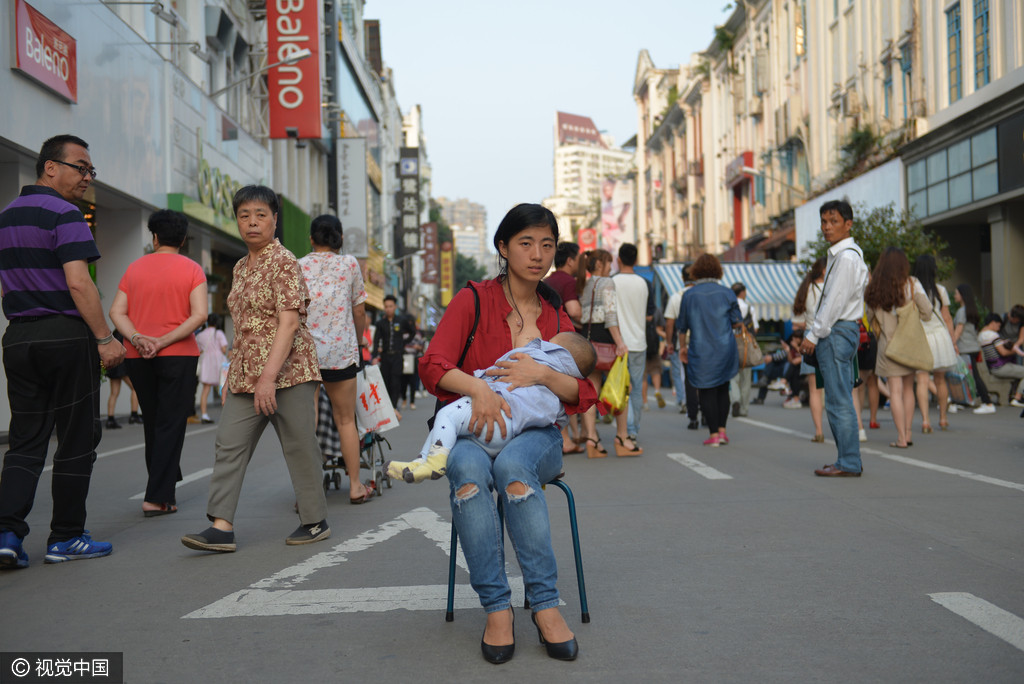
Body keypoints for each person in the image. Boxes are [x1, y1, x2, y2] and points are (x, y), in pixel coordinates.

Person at [418, 203, 597, 664]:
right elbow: (433, 364)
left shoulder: (557, 319)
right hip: (475, 432)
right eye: (525, 243)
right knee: (469, 472)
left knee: (515, 468)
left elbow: (583, 390)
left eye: (547, 244)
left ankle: (544, 603)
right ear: (503, 246)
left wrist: (540, 373)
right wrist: (478, 388)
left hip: (536, 438)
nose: (537, 254)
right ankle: (498, 609)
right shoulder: (473, 299)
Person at [181, 185, 330, 553]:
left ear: (274, 220)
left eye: (260, 215)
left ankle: (314, 520)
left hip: (290, 372)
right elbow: (245, 324)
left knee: (298, 445)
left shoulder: (284, 263)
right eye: (244, 215)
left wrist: (268, 377)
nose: (252, 222)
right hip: (246, 374)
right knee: (229, 444)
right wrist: (238, 368)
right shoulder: (239, 266)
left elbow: (289, 322)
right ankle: (221, 525)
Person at [0, 134, 125, 568]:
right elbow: (79, 282)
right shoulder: (65, 214)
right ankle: (66, 537)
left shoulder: (5, 218)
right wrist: (105, 339)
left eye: (90, 171)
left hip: (18, 337)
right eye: (81, 167)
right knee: (76, 438)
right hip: (64, 336)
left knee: (25, 440)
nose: (87, 177)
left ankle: (7, 535)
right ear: (50, 167)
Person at [387, 332, 595, 483]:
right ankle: (421, 462)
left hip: (497, 415)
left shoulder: (536, 355)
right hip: (512, 432)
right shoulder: (557, 384)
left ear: (556, 350)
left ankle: (434, 460)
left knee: (446, 416)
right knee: (453, 427)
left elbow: (497, 369)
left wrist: (478, 380)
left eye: (551, 342)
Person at [109, 209, 208, 517]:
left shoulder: (134, 269)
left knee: (153, 422)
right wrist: (164, 341)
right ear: (182, 239)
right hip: (178, 355)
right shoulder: (192, 269)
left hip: (139, 356)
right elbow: (199, 315)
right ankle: (158, 497)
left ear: (153, 238)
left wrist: (138, 338)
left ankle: (164, 479)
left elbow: (116, 312)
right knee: (170, 423)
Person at [298, 213, 374, 505]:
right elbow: (358, 310)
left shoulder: (299, 265)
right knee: (345, 421)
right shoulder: (349, 264)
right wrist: (358, 341)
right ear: (339, 238)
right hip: (341, 354)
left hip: (306, 354)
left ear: (311, 239)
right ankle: (355, 486)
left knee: (307, 423)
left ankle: (308, 492)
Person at [800, 200, 869, 476]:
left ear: (848, 224)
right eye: (824, 222)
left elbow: (834, 302)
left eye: (834, 222)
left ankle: (849, 461)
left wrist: (813, 335)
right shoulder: (843, 255)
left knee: (839, 399)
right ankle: (845, 459)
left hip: (837, 331)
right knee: (838, 397)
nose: (827, 227)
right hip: (841, 330)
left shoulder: (847, 257)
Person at [865, 247, 933, 449]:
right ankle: (909, 434)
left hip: (887, 345)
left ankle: (901, 437)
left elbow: (870, 318)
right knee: (907, 390)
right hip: (908, 344)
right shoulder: (912, 284)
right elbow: (927, 312)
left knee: (894, 392)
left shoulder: (874, 287)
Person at [676, 254, 741, 446]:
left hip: (700, 349)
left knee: (705, 390)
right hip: (725, 347)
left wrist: (682, 348)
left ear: (696, 271)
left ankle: (713, 435)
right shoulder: (727, 293)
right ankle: (722, 431)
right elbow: (737, 322)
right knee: (723, 388)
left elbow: (682, 327)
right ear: (717, 270)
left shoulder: (689, 295)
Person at [576, 249, 635, 457]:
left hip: (587, 340)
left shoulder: (585, 284)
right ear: (600, 264)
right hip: (606, 340)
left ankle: (592, 438)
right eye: (609, 263)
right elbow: (610, 316)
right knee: (621, 387)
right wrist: (620, 342)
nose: (612, 267)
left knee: (591, 392)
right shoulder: (608, 283)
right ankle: (622, 437)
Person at [544, 241, 584, 454]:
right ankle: (566, 440)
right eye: (578, 259)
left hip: (546, 341)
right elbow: (574, 310)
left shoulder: (547, 280)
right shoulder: (569, 282)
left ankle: (567, 437)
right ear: (570, 260)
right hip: (566, 343)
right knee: (567, 391)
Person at [911, 255, 958, 432]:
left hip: (920, 337)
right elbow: (947, 318)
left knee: (922, 380)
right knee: (940, 380)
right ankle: (943, 419)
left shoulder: (912, 289)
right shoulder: (940, 290)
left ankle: (925, 421)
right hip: (939, 336)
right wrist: (953, 342)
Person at [614, 243, 651, 451]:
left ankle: (624, 430)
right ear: (636, 260)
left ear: (619, 259)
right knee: (636, 388)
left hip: (619, 343)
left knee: (621, 389)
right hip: (639, 342)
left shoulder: (612, 282)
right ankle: (633, 429)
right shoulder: (644, 283)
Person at [790, 259, 826, 437]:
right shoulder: (830, 287)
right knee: (836, 386)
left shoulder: (806, 290)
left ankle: (818, 431)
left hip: (809, 339)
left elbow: (796, 323)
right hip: (828, 336)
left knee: (814, 389)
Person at [665, 265, 701, 427]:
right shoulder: (702, 295)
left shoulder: (676, 297)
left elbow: (670, 322)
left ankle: (692, 415)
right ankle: (706, 413)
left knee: (688, 379)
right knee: (705, 378)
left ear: (682, 278)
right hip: (703, 342)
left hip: (684, 343)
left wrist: (669, 343)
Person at [950, 284, 994, 414]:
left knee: (971, 375)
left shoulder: (962, 311)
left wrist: (952, 345)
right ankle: (961, 401)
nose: (955, 296)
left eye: (956, 293)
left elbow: (958, 331)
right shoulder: (970, 310)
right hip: (973, 347)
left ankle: (988, 402)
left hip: (966, 348)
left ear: (962, 295)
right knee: (966, 375)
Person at [373, 294, 413, 416]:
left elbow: (412, 332)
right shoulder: (380, 323)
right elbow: (376, 339)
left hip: (397, 356)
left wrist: (403, 343)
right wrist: (375, 356)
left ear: (395, 306)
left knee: (396, 381)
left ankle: (394, 407)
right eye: (386, 306)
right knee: (385, 381)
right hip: (385, 356)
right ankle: (387, 406)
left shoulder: (401, 321)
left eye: (390, 306)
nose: (388, 309)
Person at [978, 313, 1024, 406]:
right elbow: (1003, 352)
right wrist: (1015, 351)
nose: (999, 328)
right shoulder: (992, 335)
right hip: (999, 367)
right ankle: (1018, 398)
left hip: (992, 366)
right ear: (993, 323)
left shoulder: (981, 335)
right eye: (999, 325)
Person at [729, 282, 758, 418]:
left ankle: (735, 399)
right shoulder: (749, 308)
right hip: (745, 345)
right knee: (746, 379)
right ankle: (744, 409)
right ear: (742, 292)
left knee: (733, 377)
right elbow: (755, 328)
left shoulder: (729, 307)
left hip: (731, 344)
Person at [196, 314, 229, 424]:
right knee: (223, 388)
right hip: (219, 362)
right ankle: (226, 415)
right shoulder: (218, 333)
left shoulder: (200, 335)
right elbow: (224, 349)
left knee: (206, 390)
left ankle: (204, 415)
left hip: (206, 362)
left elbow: (199, 350)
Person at [104, 331, 141, 429]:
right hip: (122, 366)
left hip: (113, 366)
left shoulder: (114, 333)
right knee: (135, 388)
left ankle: (110, 419)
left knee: (114, 393)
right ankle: (134, 415)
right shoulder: (126, 333)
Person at [401, 318, 425, 411]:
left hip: (414, 358)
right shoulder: (402, 335)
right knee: (403, 381)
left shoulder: (417, 335)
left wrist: (417, 347)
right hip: (404, 359)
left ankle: (412, 402)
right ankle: (404, 399)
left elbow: (422, 347)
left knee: (413, 381)